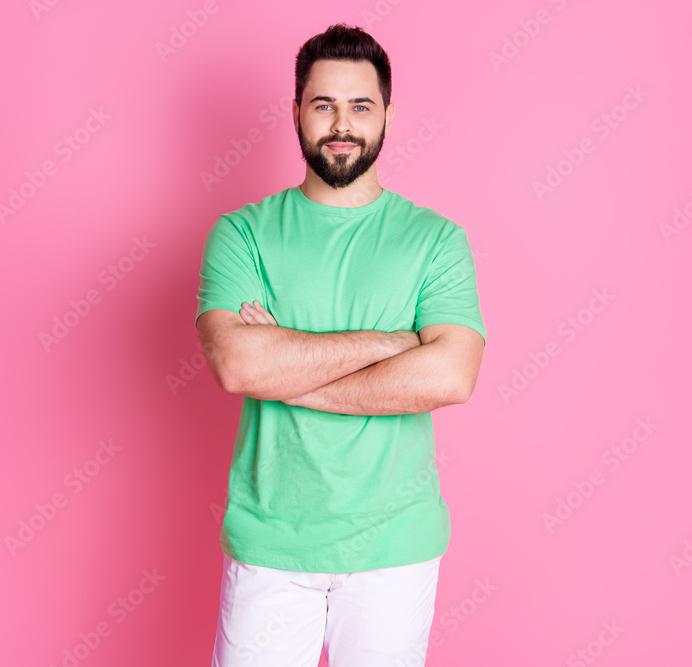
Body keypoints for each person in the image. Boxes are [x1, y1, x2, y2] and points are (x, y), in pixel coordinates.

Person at [194, 22, 486, 667]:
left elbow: (451, 377)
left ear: (387, 114)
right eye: (324, 105)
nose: (342, 123)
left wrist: (288, 368)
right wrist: (395, 344)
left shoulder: (436, 240)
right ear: (297, 111)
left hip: (393, 547)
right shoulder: (242, 233)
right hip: (270, 542)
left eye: (360, 105)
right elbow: (237, 363)